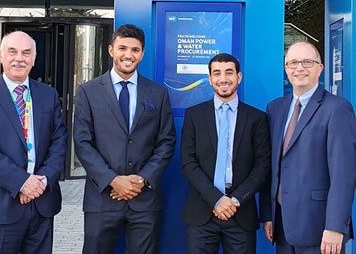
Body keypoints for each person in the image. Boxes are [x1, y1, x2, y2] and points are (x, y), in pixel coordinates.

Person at [73, 24, 176, 254]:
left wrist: (142, 179)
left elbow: (166, 141)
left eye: (135, 50)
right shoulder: (88, 92)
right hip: (102, 198)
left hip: (144, 199)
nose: (128, 55)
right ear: (111, 50)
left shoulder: (158, 93)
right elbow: (82, 142)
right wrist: (113, 180)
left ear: (142, 53)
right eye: (122, 48)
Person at [0, 31, 67, 253]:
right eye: (12, 52)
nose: (19, 58)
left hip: (42, 204)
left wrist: (41, 183)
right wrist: (22, 182)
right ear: (1, 56)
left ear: (33, 59)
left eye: (26, 53)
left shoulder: (48, 95)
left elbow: (59, 141)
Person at [260, 41, 356, 254]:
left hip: (319, 229)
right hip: (282, 226)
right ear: (286, 69)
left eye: (307, 62)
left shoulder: (338, 109)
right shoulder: (275, 108)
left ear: (320, 68)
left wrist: (335, 226)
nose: (299, 68)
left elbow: (344, 174)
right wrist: (268, 215)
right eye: (293, 63)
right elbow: (271, 167)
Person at [180, 53, 271, 253]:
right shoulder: (194, 115)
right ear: (210, 79)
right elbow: (188, 163)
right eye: (217, 73)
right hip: (202, 212)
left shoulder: (257, 118)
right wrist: (216, 199)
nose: (223, 79)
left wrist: (235, 200)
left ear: (239, 77)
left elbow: (262, 166)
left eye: (229, 72)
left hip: (241, 212)